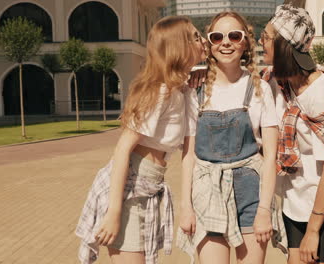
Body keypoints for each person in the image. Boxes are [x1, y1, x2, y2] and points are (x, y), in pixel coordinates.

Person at [75, 16, 206, 264]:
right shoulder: (161, 91)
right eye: (196, 37)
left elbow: (189, 153)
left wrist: (187, 205)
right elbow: (123, 148)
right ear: (180, 45)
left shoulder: (184, 91)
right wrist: (114, 211)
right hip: (128, 190)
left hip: (150, 187)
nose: (203, 41)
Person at [177, 11, 286, 264]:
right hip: (207, 193)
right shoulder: (195, 89)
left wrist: (263, 211)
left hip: (252, 195)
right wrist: (186, 207)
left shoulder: (260, 89)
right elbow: (188, 154)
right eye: (218, 37)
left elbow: (270, 158)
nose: (225, 42)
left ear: (245, 42)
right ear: (210, 43)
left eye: (234, 36)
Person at [260, 4, 324, 264]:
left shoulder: (319, 92)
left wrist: (314, 229)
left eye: (266, 37)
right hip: (294, 201)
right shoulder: (277, 81)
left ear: (284, 44)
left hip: (323, 207)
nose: (261, 42)